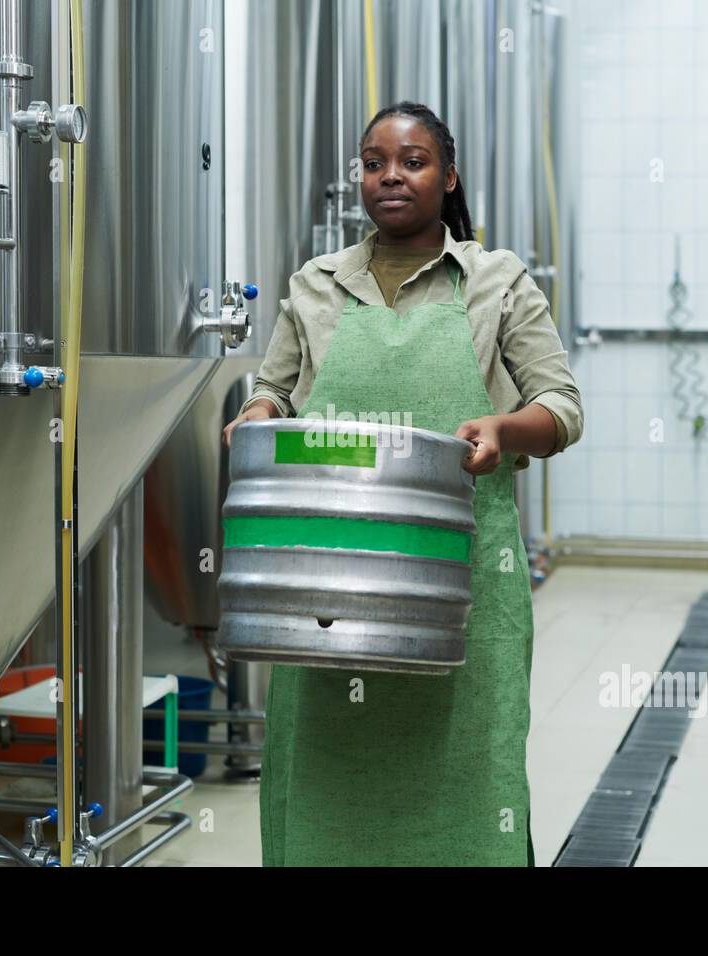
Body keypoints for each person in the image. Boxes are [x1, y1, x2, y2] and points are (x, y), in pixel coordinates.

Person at [222, 101, 583, 866]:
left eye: (413, 161)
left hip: (462, 584)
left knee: (469, 773)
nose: (390, 175)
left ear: (447, 177)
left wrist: (503, 430)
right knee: (324, 777)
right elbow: (276, 391)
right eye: (374, 161)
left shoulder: (496, 280)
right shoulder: (315, 285)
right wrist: (256, 411)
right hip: (325, 587)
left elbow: (561, 407)